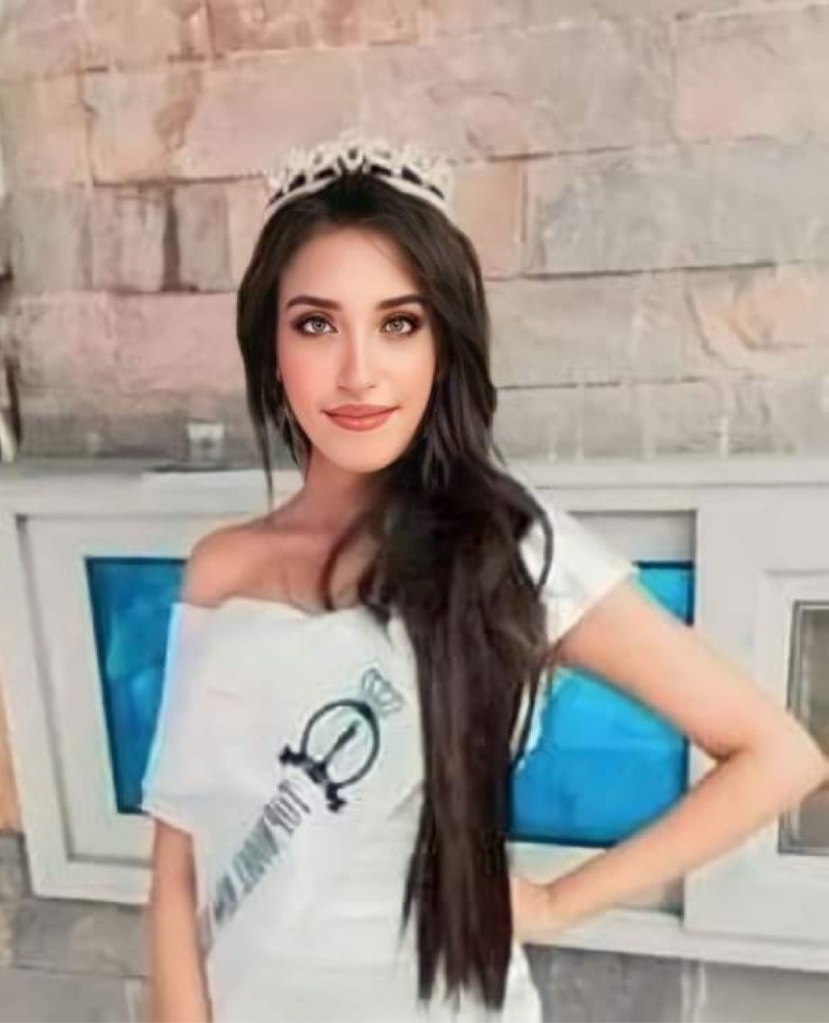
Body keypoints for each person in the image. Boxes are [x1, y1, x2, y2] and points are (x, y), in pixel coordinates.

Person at [140, 134, 827, 1023]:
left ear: (443, 346)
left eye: (399, 323)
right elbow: (177, 860)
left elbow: (779, 756)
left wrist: (556, 902)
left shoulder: (509, 551)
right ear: (270, 346)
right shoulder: (221, 569)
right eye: (316, 324)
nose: (358, 371)